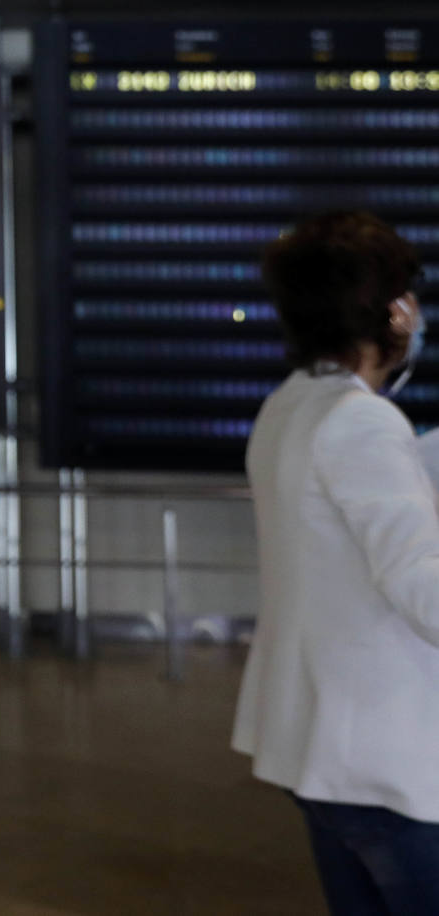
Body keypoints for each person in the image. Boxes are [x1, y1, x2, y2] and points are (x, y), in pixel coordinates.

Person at [232, 210, 439, 913]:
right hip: (384, 758)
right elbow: (422, 584)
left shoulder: (292, 406)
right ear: (394, 311)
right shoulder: (362, 420)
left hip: (321, 747)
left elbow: (366, 496)